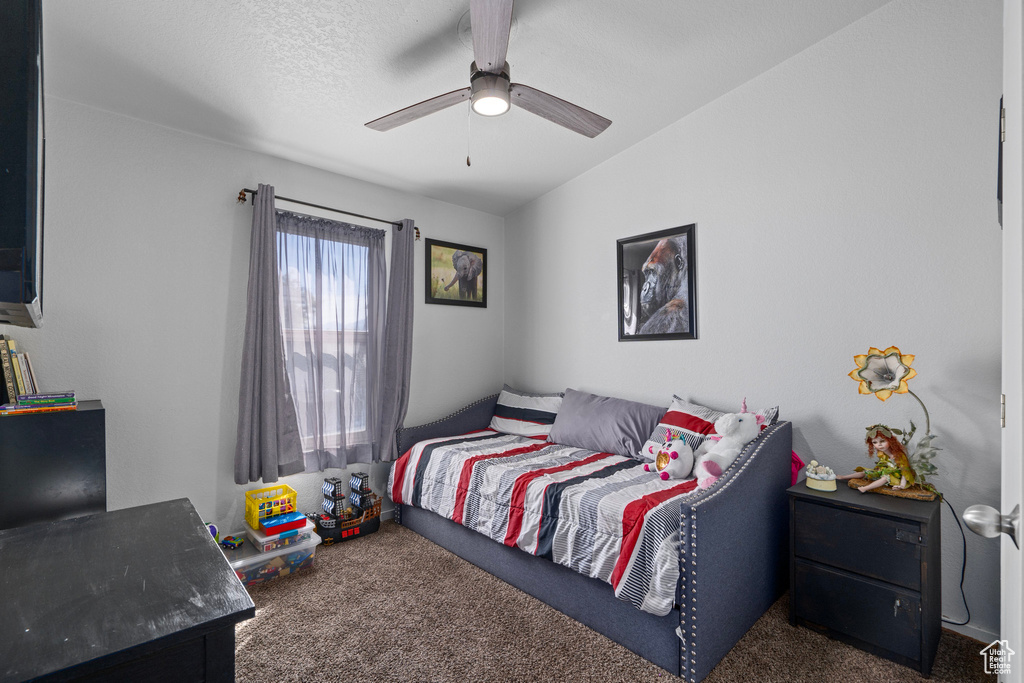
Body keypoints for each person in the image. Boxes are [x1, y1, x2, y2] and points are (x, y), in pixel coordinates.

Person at [837, 424, 916, 493]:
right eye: (875, 442)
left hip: (896, 476)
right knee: (865, 472)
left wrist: (902, 485)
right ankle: (843, 477)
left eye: (882, 441)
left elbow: (905, 472)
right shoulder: (881, 453)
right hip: (883, 472)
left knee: (885, 478)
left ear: (891, 441)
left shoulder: (899, 455)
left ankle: (865, 488)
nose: (879, 445)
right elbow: (881, 466)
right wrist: (876, 471)